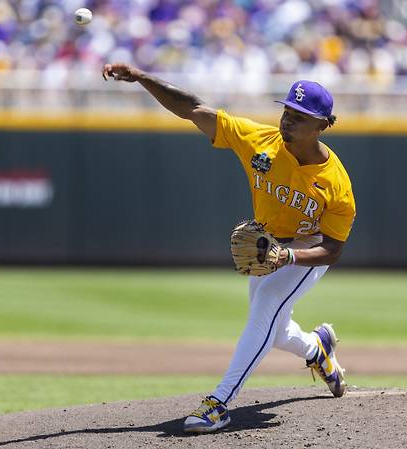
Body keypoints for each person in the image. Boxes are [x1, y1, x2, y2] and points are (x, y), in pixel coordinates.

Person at [102, 63, 356, 433]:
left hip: (307, 249)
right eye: (287, 111)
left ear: (323, 125)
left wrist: (291, 257)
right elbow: (193, 109)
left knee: (265, 309)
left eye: (300, 117)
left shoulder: (336, 184)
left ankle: (218, 403)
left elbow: (333, 249)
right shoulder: (259, 140)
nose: (288, 121)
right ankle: (318, 349)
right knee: (276, 329)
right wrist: (142, 77)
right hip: (267, 245)